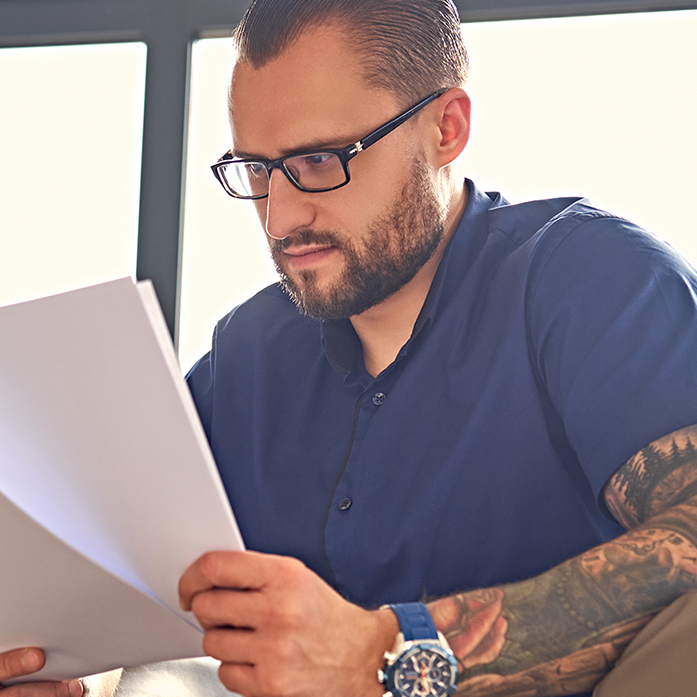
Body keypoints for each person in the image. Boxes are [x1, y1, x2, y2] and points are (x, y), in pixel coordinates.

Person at [3, 1, 697, 696]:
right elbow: (132, 599)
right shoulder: (244, 358)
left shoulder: (589, 280)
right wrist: (54, 671)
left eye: (318, 160)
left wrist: (384, 652)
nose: (280, 217)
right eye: (255, 170)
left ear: (445, 128)